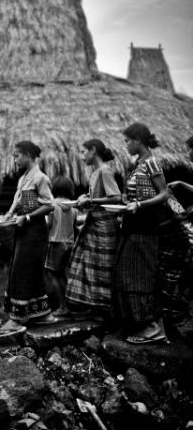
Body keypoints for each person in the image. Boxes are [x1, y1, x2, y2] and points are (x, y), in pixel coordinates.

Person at [113, 123, 170, 344]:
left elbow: (164, 194)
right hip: (134, 225)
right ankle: (143, 324)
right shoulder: (139, 164)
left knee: (140, 275)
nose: (126, 145)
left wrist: (140, 205)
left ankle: (154, 328)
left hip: (146, 227)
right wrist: (128, 202)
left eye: (127, 140)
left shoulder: (151, 162)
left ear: (137, 139)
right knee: (127, 273)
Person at [0, 140, 57, 338]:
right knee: (26, 271)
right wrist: (9, 214)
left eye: (17, 156)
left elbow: (50, 205)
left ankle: (17, 319)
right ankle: (42, 314)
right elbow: (17, 199)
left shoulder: (40, 178)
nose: (14, 160)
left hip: (35, 232)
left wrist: (27, 217)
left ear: (28, 156)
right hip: (23, 230)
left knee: (22, 271)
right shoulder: (23, 178)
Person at [65, 139, 121, 320]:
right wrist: (87, 197)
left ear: (93, 151)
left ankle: (104, 310)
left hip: (104, 225)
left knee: (102, 266)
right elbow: (99, 195)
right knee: (86, 263)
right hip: (94, 222)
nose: (81, 156)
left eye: (83, 152)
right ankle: (90, 306)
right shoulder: (95, 172)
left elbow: (115, 197)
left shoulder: (105, 171)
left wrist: (90, 201)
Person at [44, 176, 78, 316]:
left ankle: (62, 306)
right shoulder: (73, 207)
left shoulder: (52, 205)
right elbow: (75, 227)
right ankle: (68, 305)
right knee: (63, 275)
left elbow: (49, 224)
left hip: (55, 242)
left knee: (52, 274)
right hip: (69, 243)